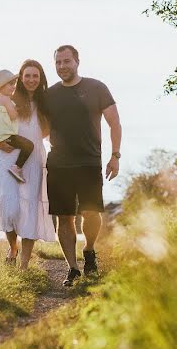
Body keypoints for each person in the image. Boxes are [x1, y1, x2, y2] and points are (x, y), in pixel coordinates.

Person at [43, 44, 122, 286]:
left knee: (91, 213)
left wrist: (115, 156)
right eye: (58, 62)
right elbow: (40, 127)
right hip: (58, 165)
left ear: (77, 61)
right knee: (64, 218)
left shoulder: (96, 88)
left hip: (89, 162)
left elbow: (114, 123)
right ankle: (73, 268)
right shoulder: (50, 95)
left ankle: (89, 250)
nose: (62, 66)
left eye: (67, 61)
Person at [0, 60, 55, 268]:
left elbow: (47, 131)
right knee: (9, 209)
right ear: (20, 78)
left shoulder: (45, 102)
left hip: (33, 159)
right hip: (8, 158)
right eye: (27, 75)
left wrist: (37, 139)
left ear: (41, 79)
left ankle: (24, 265)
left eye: (35, 76)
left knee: (31, 212)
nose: (31, 80)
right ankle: (12, 246)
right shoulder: (8, 99)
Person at [0, 69, 35, 188]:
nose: (13, 87)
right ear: (1, 87)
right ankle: (17, 167)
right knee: (29, 146)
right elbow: (13, 115)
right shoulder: (5, 99)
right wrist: (17, 109)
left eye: (14, 84)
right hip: (6, 135)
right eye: (10, 84)